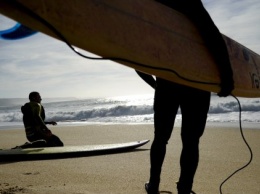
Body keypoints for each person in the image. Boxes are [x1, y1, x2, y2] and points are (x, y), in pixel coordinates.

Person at [136, 1, 234, 194]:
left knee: (161, 138)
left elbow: (137, 54)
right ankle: (185, 189)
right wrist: (227, 77)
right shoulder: (191, 4)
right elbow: (212, 36)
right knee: (191, 141)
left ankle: (154, 185)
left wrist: (156, 83)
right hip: (195, 81)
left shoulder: (155, 7)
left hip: (167, 80)